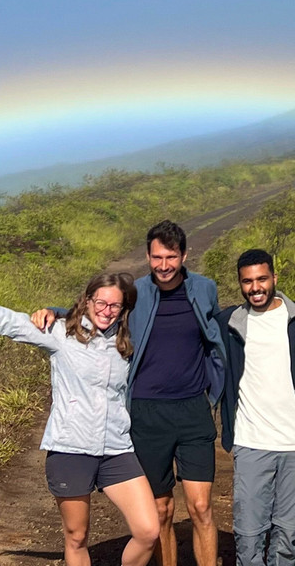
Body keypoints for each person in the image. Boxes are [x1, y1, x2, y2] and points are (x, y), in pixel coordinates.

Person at [0, 272, 159, 566]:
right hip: (71, 448)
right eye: (101, 302)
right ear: (87, 302)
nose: (106, 311)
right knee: (76, 537)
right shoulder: (62, 333)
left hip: (117, 449)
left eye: (115, 306)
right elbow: (9, 322)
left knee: (148, 530)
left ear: (124, 310)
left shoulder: (125, 343)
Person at [31, 221, 225, 566]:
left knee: (201, 507)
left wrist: (215, 393)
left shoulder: (205, 289)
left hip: (193, 407)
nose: (163, 265)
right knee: (161, 509)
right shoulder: (136, 292)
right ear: (147, 256)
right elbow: (99, 309)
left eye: (171, 256)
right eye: (156, 257)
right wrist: (55, 312)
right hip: (147, 413)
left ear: (184, 255)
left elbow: (216, 336)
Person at [217, 249, 295, 566]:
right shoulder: (229, 322)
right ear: (240, 284)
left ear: (275, 277)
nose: (255, 287)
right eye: (247, 281)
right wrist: (61, 312)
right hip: (251, 442)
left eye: (262, 278)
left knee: (288, 536)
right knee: (248, 535)